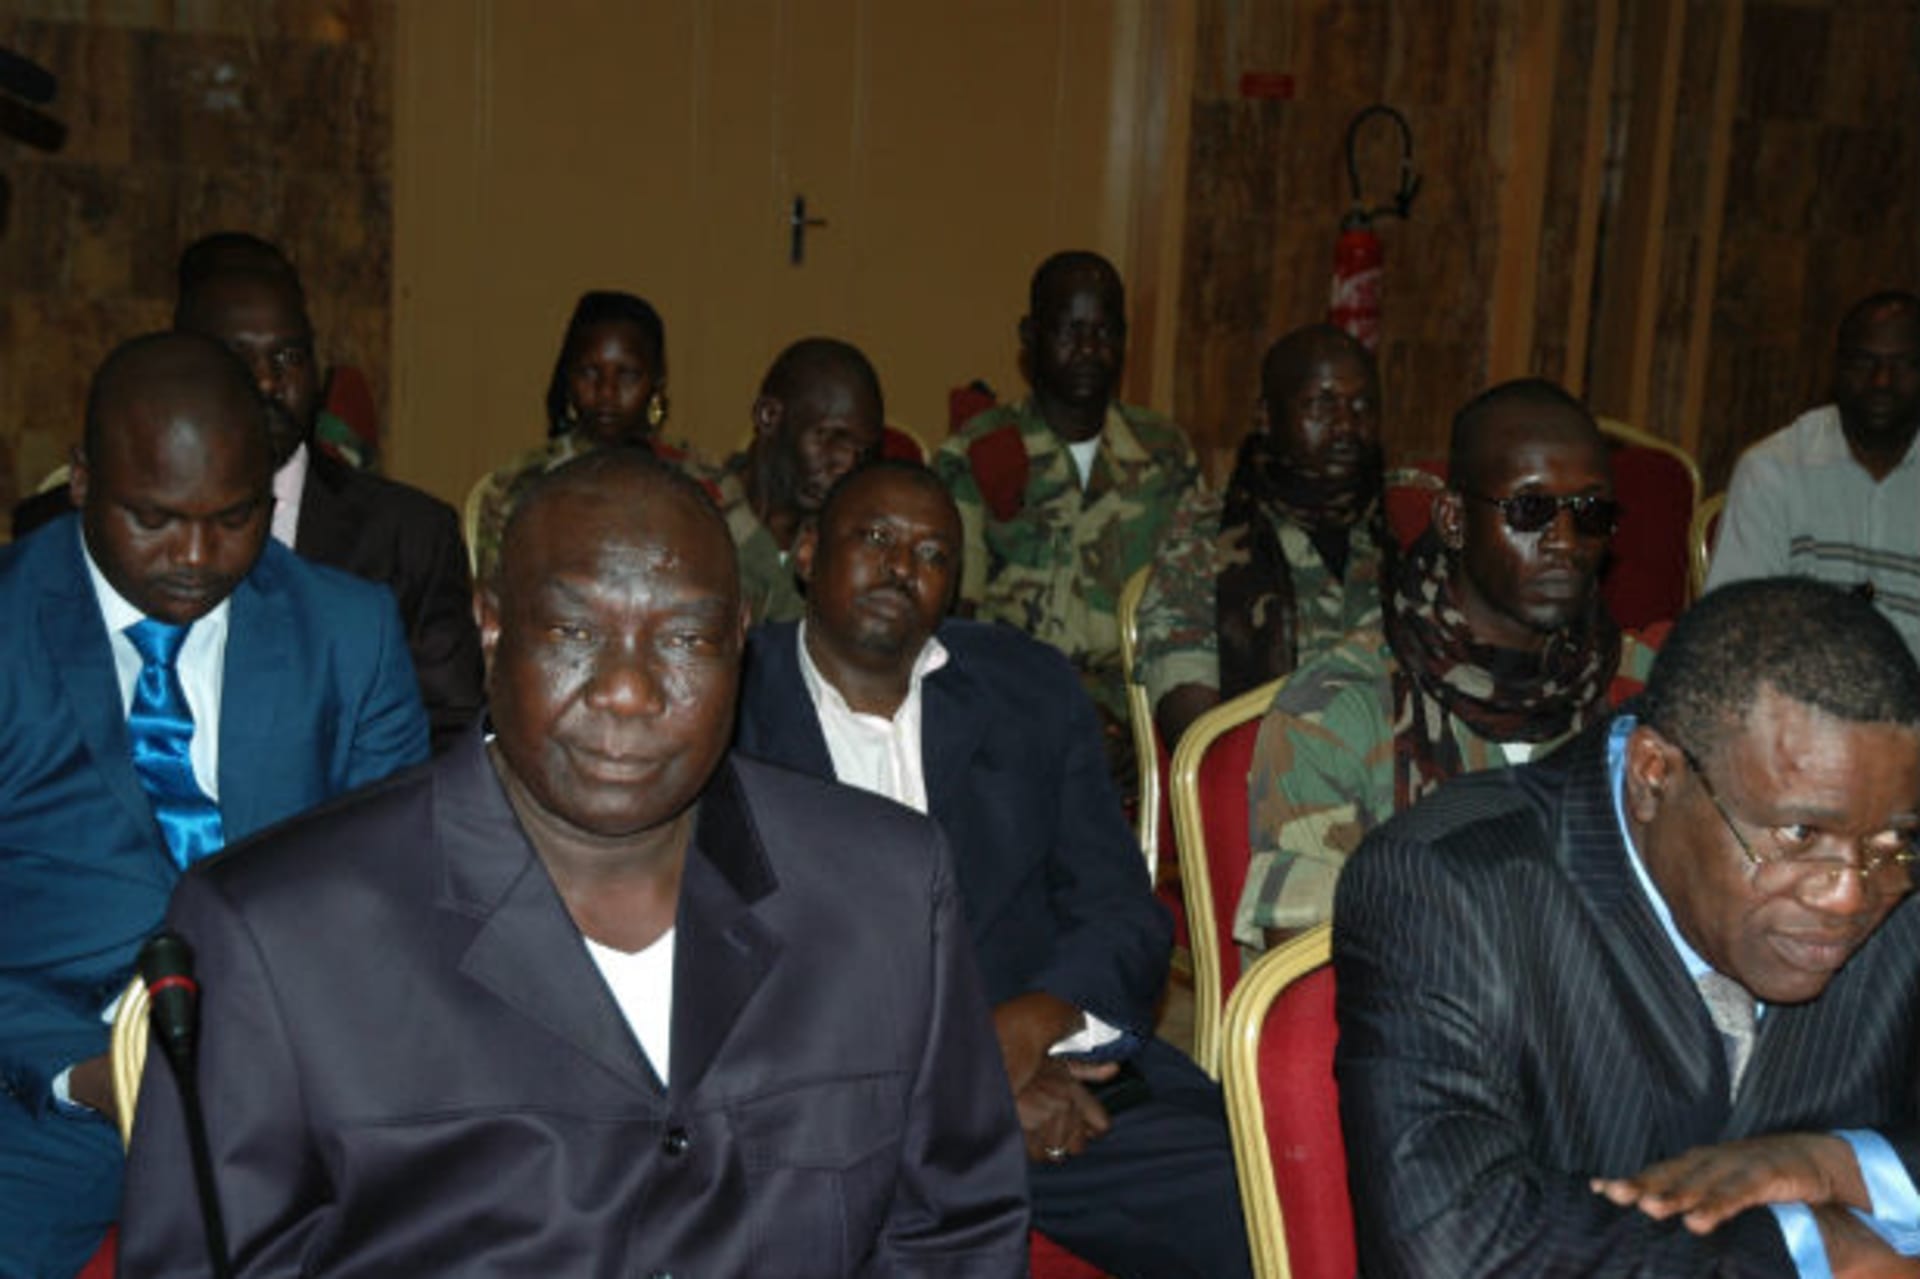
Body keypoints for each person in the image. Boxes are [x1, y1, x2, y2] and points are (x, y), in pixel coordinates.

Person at [119, 450, 1031, 1278]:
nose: (628, 689)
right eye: (572, 633)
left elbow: (953, 1232)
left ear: (741, 639)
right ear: (490, 625)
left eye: (684, 639)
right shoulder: (279, 935)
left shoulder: (885, 892)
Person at [735, 461, 1253, 1279]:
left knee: (1265, 1204)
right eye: (873, 538)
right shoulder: (730, 703)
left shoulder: (1027, 687)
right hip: (831, 1122)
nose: (901, 566)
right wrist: (966, 1079)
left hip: (1059, 1081)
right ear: (805, 551)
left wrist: (1033, 1021)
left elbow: (1122, 913)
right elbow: (736, 966)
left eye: (933, 552)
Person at [1337, 576, 1920, 1275]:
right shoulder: (1448, 886)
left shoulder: (1893, 845)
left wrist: (1834, 1165)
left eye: (1891, 844)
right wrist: (1805, 1248)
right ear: (1653, 776)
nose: (1850, 893)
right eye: (1799, 833)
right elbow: (1447, 1242)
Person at [0, 332, 428, 1279]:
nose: (196, 556)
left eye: (233, 518)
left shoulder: (348, 637)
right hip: (37, 1109)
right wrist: (88, 1077)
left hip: (293, 1110)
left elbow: (397, 905)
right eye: (154, 518)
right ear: (79, 481)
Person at [1238, 379, 1657, 947]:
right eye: (1530, 509)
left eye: (1589, 512)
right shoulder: (1339, 709)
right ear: (1454, 520)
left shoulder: (1646, 690)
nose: (1565, 540)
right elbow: (1305, 973)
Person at [172, 251, 485, 750]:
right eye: (239, 358)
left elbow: (448, 735)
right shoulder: (98, 528)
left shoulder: (411, 534)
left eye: (289, 358)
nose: (268, 381)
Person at [932, 250, 1200, 768]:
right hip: (1010, 712)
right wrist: (1062, 714)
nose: (1088, 350)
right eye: (1069, 331)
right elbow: (957, 628)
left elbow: (1186, 618)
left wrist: (1135, 725)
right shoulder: (979, 451)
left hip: (1136, 720)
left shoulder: (1166, 454)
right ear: (1030, 337)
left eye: (1105, 332)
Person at [1135, 324, 1391, 747]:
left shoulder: (1406, 529)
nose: (1346, 424)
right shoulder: (1204, 533)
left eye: (1363, 406)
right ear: (1267, 416)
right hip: (1264, 788)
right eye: (1321, 405)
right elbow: (1195, 726)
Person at [1708, 291, 1920, 659]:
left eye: (1903, 364)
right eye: (1863, 362)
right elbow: (1732, 630)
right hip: (1797, 704)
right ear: (1836, 370)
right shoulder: (1773, 470)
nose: (1882, 381)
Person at [470, 289, 696, 581]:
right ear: (568, 379)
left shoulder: (703, 481)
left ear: (657, 383)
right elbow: (498, 601)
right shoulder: (517, 485)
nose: (607, 392)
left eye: (627, 375)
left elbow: (764, 595)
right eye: (589, 373)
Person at [711, 336, 884, 622]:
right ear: (769, 416)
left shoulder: (852, 550)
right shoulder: (691, 517)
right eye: (831, 438)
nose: (847, 465)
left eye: (863, 452)